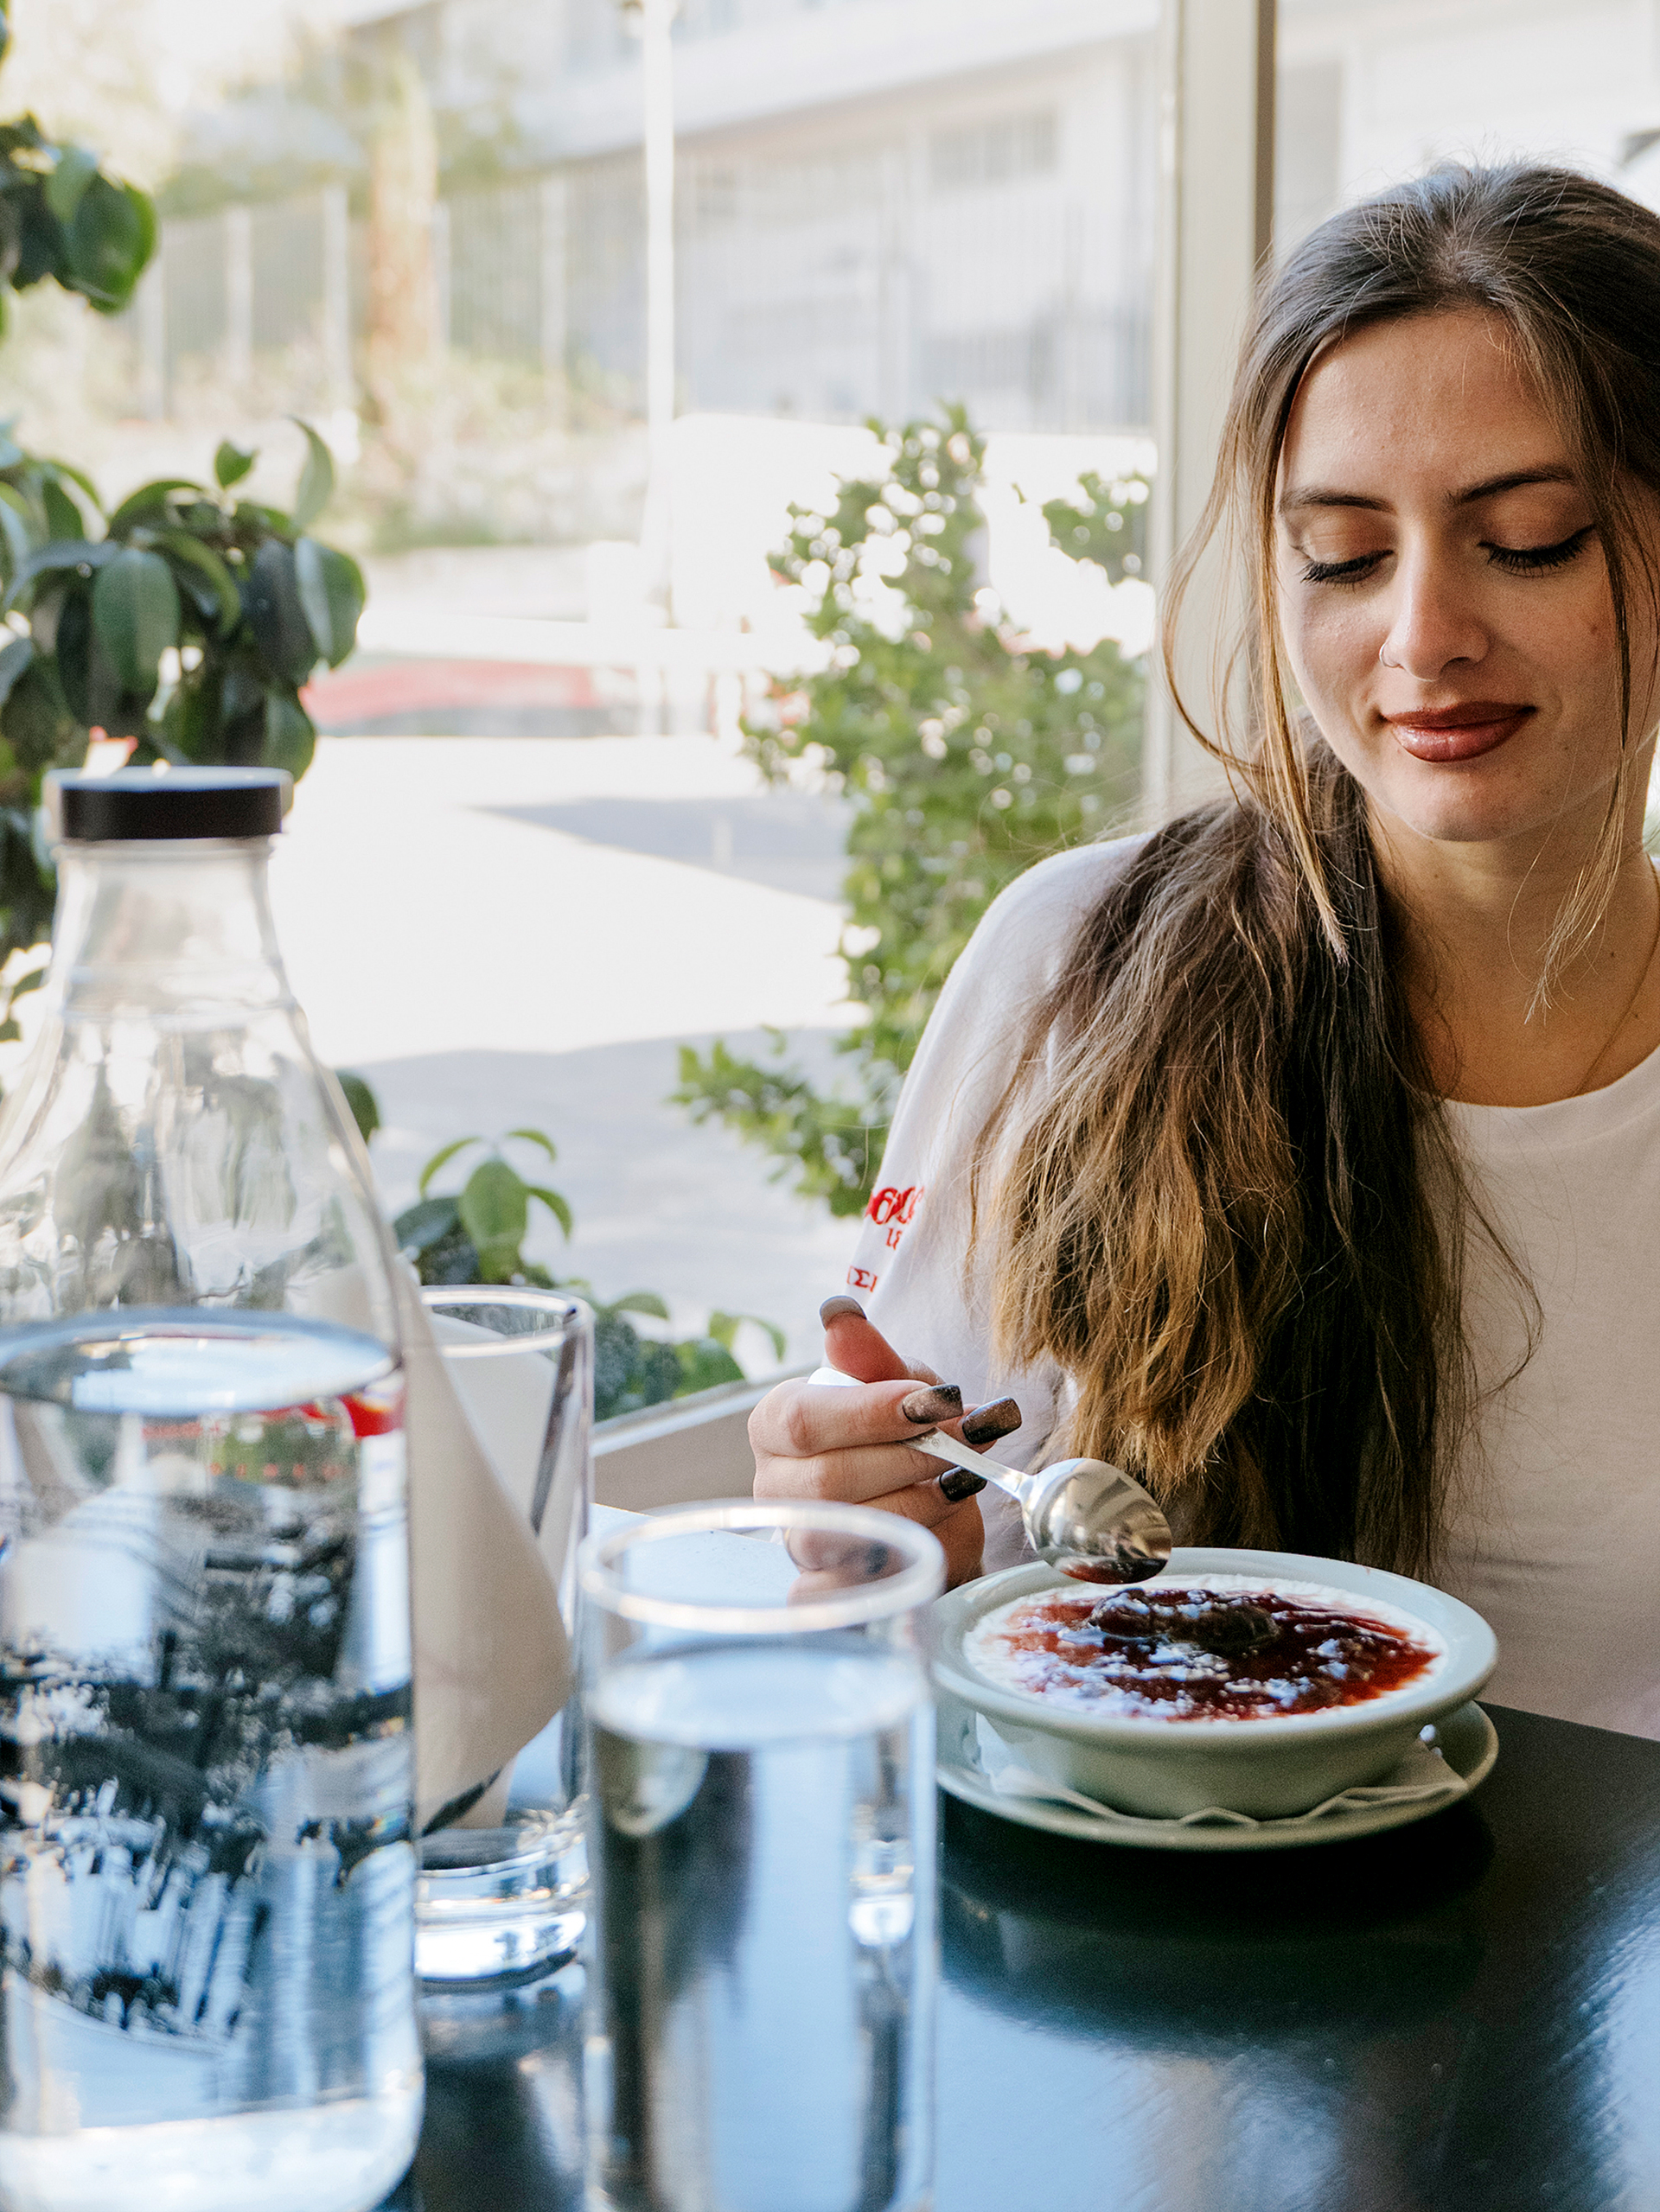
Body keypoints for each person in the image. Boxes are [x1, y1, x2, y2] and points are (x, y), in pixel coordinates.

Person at [749, 162, 1660, 1741]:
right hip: (1125, 1945)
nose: (1423, 638)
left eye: (1529, 540)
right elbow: (884, 1544)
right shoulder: (1078, 968)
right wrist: (852, 1528)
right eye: (1344, 556)